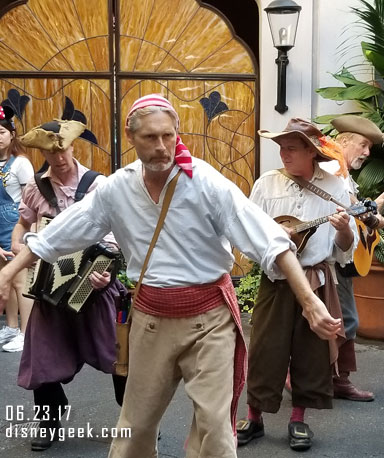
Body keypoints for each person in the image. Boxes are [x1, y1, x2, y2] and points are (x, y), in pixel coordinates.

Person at [0, 95, 341, 458]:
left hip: (210, 321)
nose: (162, 146)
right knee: (136, 427)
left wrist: (310, 303)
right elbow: (56, 236)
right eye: (150, 137)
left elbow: (271, 243)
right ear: (131, 136)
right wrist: (7, 273)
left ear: (176, 131)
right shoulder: (116, 189)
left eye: (168, 135)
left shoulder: (206, 182)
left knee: (215, 429)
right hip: (150, 321)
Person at [4, 118, 125, 451]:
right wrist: (19, 246)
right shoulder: (35, 188)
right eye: (50, 152)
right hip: (48, 290)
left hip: (95, 289)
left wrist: (105, 271)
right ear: (42, 151)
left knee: (119, 358)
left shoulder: (99, 185)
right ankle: (50, 418)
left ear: (74, 145)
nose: (58, 158)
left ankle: (136, 420)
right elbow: (23, 224)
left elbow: (115, 237)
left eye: (63, 149)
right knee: (39, 357)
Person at [237, 118, 357, 451]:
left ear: (310, 151)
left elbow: (346, 247)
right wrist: (272, 245)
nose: (283, 154)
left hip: (315, 279)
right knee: (264, 349)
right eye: (281, 147)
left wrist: (345, 228)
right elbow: (248, 233)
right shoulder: (266, 184)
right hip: (275, 280)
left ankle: (298, 420)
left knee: (309, 352)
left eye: (291, 148)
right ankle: (254, 417)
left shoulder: (335, 187)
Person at [320, 114, 384, 401]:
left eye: (369, 148)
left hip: (338, 256)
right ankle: (328, 380)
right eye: (363, 145)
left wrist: (378, 206)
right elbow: (360, 214)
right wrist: (376, 216)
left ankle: (327, 379)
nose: (367, 153)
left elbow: (357, 214)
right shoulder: (331, 168)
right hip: (329, 258)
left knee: (338, 320)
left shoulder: (341, 173)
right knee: (344, 320)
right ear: (343, 142)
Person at [0, 104, 34, 352]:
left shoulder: (21, 164)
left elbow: (29, 200)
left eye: (1, 132)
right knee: (5, 279)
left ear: (11, 134)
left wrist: (26, 233)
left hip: (14, 225)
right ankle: (10, 328)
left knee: (21, 282)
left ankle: (26, 332)